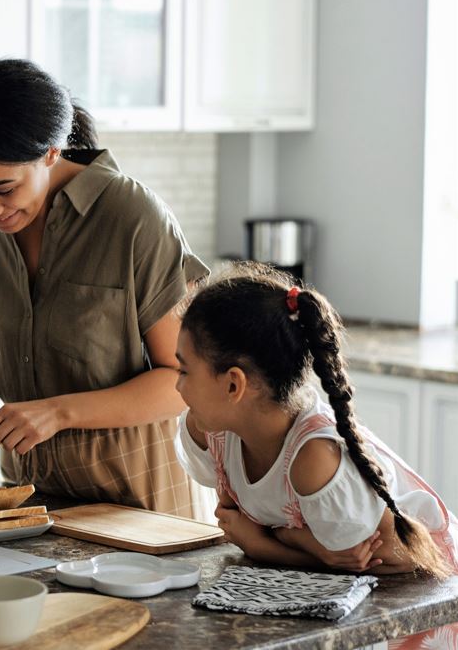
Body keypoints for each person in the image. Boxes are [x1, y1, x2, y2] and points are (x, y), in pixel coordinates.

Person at [0, 58, 209, 516]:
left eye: (4, 188)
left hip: (139, 507)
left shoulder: (131, 216)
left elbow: (184, 382)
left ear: (52, 152)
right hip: (27, 505)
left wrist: (57, 413)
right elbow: (7, 344)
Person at [175, 264, 457, 650]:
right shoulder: (212, 431)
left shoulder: (314, 459)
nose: (177, 385)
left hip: (426, 598)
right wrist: (302, 542)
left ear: (233, 384)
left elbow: (382, 562)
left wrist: (265, 544)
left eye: (184, 369)